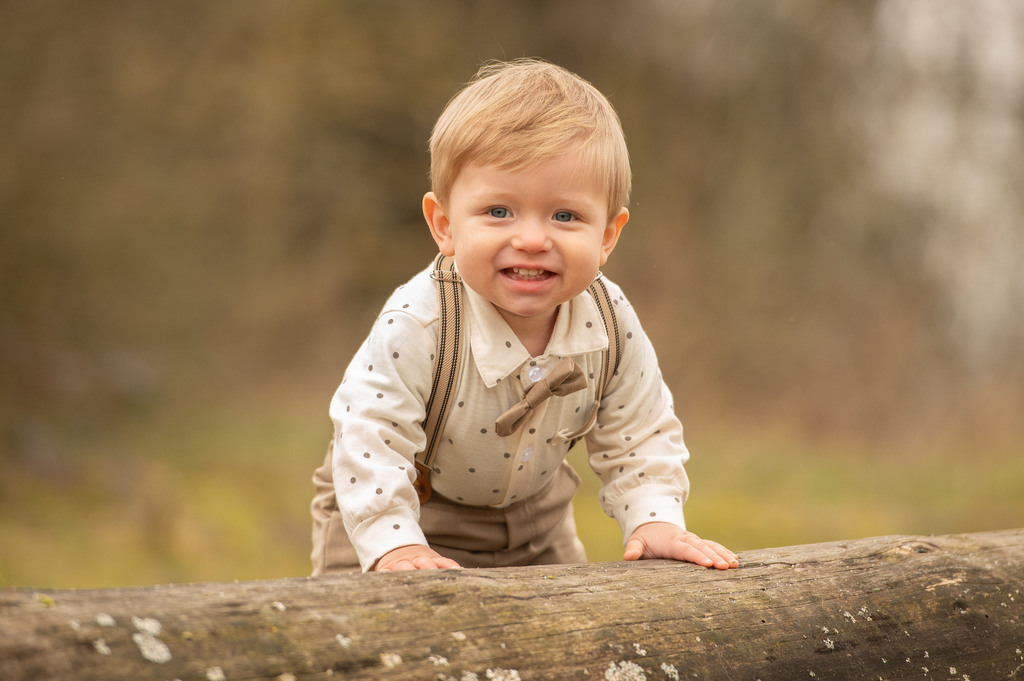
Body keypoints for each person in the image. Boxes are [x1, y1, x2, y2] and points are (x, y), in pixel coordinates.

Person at [311, 58, 739, 573]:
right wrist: (392, 544)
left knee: (570, 642)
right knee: (366, 643)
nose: (533, 239)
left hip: (538, 521)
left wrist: (655, 518)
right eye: (499, 212)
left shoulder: (609, 322)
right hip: (400, 508)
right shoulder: (422, 323)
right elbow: (370, 434)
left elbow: (639, 431)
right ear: (444, 225)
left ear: (607, 235)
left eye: (565, 216)